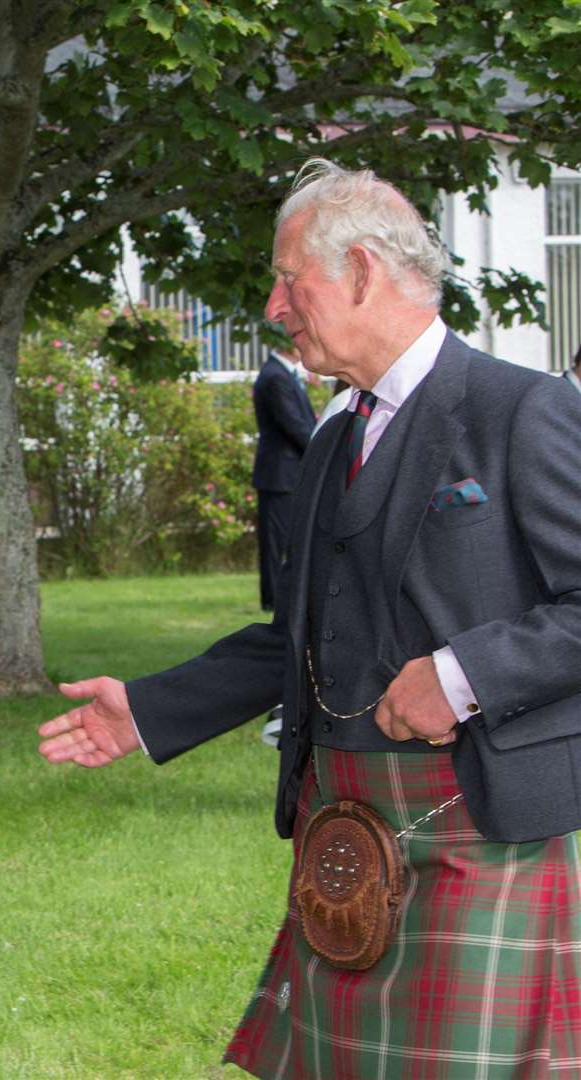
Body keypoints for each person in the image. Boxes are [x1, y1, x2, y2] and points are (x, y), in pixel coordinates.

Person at [38, 159, 581, 1074]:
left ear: (362, 272)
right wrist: (153, 707)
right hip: (345, 824)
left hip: (476, 821)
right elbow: (298, 629)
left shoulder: (521, 409)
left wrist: (462, 676)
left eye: (291, 278)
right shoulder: (335, 430)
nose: (272, 304)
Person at [251, 342, 315, 610]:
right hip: (279, 473)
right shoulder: (275, 377)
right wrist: (322, 445)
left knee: (287, 539)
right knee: (276, 541)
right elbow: (294, 425)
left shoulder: (283, 374)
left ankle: (282, 598)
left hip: (287, 472)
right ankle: (273, 600)